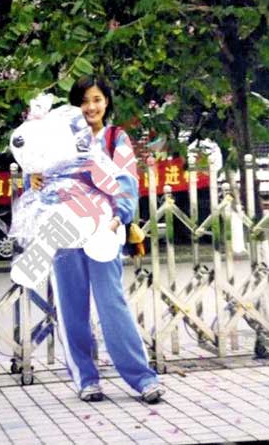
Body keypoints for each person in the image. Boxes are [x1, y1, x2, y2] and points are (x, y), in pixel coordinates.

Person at [30, 75, 165, 403]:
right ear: (74, 105)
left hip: (104, 230)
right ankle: (86, 379)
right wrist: (33, 178)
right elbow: (42, 179)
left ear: (106, 102)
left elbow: (127, 182)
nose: (90, 107)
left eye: (97, 100)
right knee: (71, 306)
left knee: (112, 303)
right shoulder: (57, 137)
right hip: (65, 231)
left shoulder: (116, 138)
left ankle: (142, 378)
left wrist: (119, 218)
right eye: (83, 101)